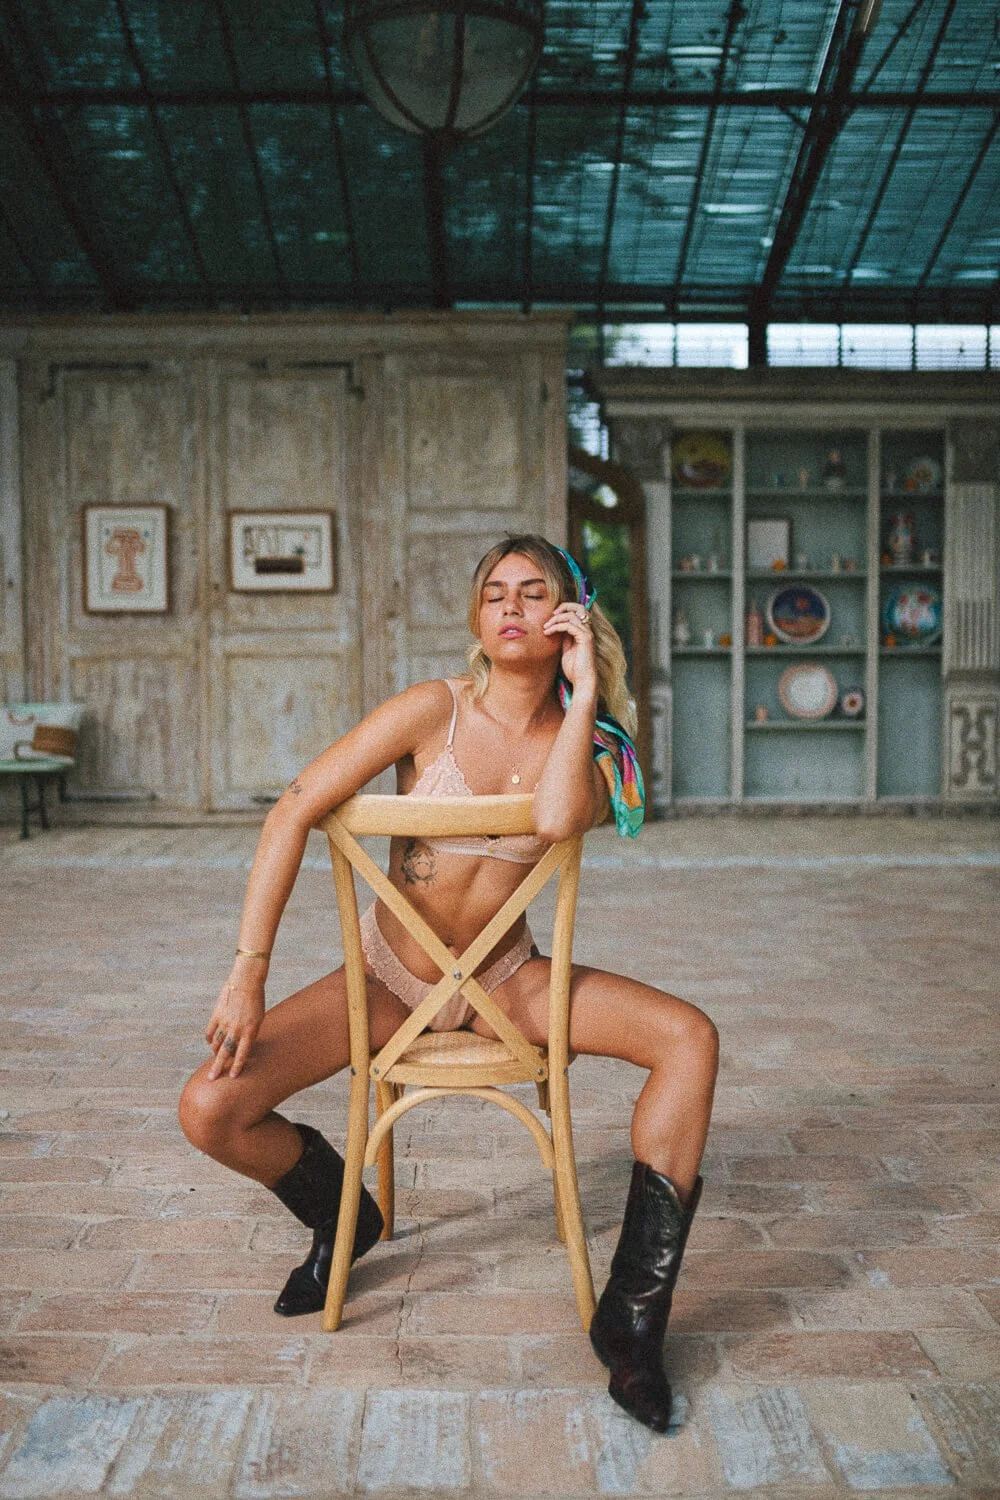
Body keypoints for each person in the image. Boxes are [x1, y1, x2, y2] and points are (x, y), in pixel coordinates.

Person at [178, 534, 718, 1433]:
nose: (509, 606)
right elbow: (294, 808)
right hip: (389, 981)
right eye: (493, 593)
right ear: (476, 619)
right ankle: (347, 1216)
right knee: (209, 1107)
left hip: (509, 983)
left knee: (690, 1038)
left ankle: (629, 1325)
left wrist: (583, 691)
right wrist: (248, 971)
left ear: (567, 617)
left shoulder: (588, 742)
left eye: (533, 591)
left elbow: (553, 818)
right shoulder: (431, 710)